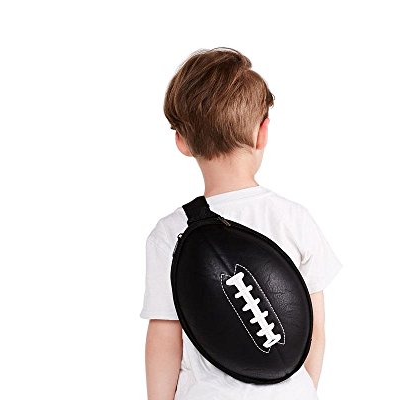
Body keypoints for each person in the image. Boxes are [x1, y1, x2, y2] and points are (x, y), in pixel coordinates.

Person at [140, 47, 343, 400]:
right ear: (263, 133)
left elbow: (164, 338)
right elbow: (314, 328)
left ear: (182, 141)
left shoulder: (170, 234)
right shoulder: (294, 219)